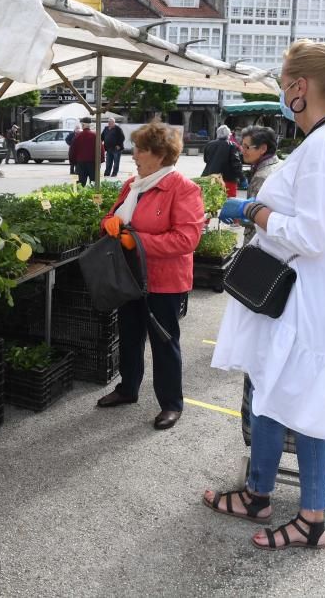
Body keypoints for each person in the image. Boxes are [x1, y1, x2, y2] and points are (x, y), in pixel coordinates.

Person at [203, 40, 325, 551]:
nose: (283, 96)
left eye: (284, 85)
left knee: (306, 406)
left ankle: (310, 520)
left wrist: (253, 212)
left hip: (307, 303)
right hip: (312, 298)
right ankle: (259, 492)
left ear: (299, 88)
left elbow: (312, 234)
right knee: (275, 391)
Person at [95, 122, 204, 430]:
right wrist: (109, 224)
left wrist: (137, 241)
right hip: (129, 277)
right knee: (129, 337)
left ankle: (171, 404)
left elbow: (187, 240)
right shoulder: (133, 184)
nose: (134, 154)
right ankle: (128, 389)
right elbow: (113, 215)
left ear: (160, 155)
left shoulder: (183, 189)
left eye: (141, 149)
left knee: (164, 342)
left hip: (163, 283)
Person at [238, 125, 280, 245]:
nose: (242, 150)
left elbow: (256, 218)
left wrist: (239, 213)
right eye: (242, 146)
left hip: (258, 242)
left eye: (247, 147)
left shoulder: (261, 176)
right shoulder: (279, 164)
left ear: (262, 149)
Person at [202, 125, 242, 197]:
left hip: (210, 177)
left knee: (212, 202)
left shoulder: (209, 144)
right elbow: (236, 164)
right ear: (228, 135)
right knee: (228, 202)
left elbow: (206, 160)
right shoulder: (232, 145)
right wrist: (241, 177)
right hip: (228, 179)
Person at [69, 119, 104, 185]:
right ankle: (94, 195)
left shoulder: (78, 136)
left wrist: (73, 162)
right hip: (93, 163)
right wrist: (100, 160)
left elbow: (72, 150)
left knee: (80, 184)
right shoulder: (95, 136)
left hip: (80, 163)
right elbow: (101, 149)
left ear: (83, 125)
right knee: (94, 184)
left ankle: (80, 195)